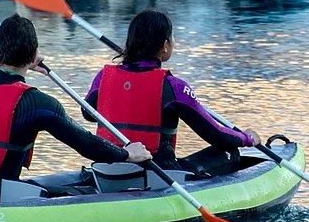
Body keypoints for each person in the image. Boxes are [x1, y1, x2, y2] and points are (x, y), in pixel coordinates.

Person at [0, 14, 151, 181]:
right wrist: (126, 154)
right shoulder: (38, 104)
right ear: (34, 54)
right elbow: (84, 142)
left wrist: (12, 58)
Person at [84, 9, 259, 178]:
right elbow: (217, 135)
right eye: (172, 38)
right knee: (229, 151)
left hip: (106, 173)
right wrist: (246, 138)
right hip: (158, 176)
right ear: (165, 45)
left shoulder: (104, 77)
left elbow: (88, 114)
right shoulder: (174, 87)